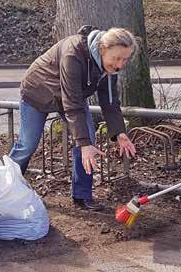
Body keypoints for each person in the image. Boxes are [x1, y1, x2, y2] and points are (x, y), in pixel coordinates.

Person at [10, 25, 138, 211]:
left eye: (125, 59)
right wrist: (83, 143)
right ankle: (7, 186)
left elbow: (110, 101)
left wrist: (120, 133)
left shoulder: (108, 67)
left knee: (88, 143)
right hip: (37, 93)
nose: (120, 65)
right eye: (116, 58)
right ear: (102, 49)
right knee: (27, 144)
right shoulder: (73, 54)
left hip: (70, 98)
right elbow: (72, 102)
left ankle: (82, 196)